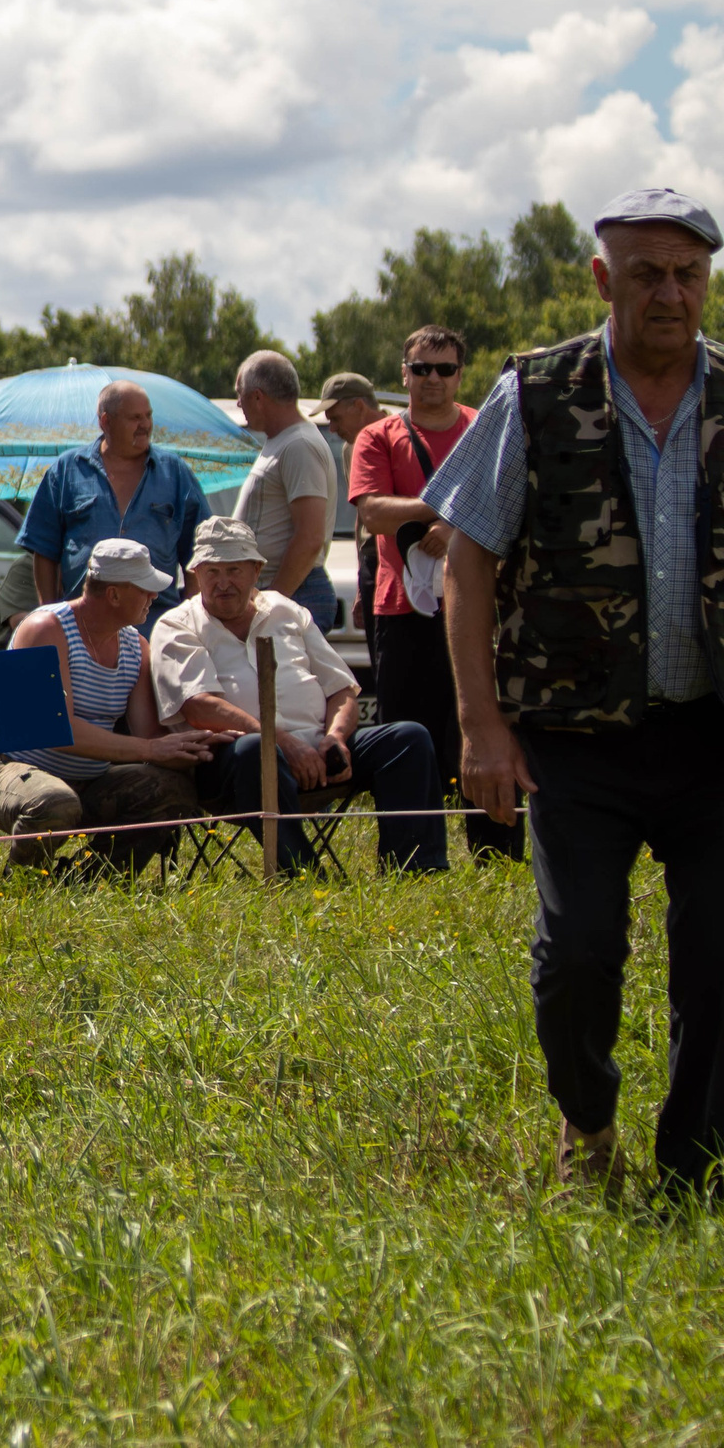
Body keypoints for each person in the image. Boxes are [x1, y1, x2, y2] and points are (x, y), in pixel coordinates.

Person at [429, 186, 724, 1199]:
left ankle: (696, 1165)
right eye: (647, 274)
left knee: (718, 957)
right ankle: (588, 1125)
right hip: (574, 735)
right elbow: (466, 561)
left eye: (688, 275)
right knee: (579, 954)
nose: (669, 294)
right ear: (603, 279)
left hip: (712, 735)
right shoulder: (536, 394)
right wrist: (480, 727)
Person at [151, 517, 444, 874]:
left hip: (316, 748)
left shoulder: (285, 610)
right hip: (231, 762)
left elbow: (342, 688)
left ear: (256, 570)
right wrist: (283, 743)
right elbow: (199, 707)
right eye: (212, 571)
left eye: (234, 570)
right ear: (196, 573)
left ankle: (416, 867)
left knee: (408, 738)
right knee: (255, 750)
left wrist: (335, 738)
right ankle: (302, 872)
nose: (223, 583)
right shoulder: (177, 625)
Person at [347, 326, 520, 863]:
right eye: (421, 369)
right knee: (408, 736)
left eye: (445, 369)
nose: (433, 379)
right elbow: (373, 510)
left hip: (478, 608)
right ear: (404, 374)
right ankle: (412, 859)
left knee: (484, 724)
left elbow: (511, 502)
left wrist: (453, 526)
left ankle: (497, 853)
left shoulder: (483, 426)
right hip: (401, 610)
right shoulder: (378, 436)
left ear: (460, 375)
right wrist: (449, 511)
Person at [0, 540, 217, 874]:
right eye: (144, 589)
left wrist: (202, 743)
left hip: (88, 781)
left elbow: (150, 736)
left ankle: (88, 879)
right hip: (12, 770)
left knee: (173, 789)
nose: (154, 596)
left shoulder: (137, 647)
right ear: (114, 595)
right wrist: (151, 748)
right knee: (55, 802)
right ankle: (21, 883)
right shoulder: (46, 628)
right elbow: (56, 729)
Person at [17, 379, 208, 621]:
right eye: (135, 418)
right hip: (84, 623)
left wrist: (192, 616)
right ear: (105, 421)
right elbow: (44, 550)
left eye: (148, 416)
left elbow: (198, 551)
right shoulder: (67, 470)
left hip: (156, 621)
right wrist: (51, 613)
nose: (145, 425)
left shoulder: (174, 472)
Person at [229, 351, 338, 632]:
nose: (239, 403)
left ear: (258, 397)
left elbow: (310, 537)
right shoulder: (284, 440)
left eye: (240, 394)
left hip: (296, 591)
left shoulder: (299, 444)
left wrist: (270, 603)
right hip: (287, 591)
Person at [317, 372, 386, 669]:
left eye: (335, 418)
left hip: (406, 558)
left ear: (358, 406)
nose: (332, 429)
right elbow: (362, 515)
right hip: (373, 561)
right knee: (380, 659)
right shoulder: (350, 449)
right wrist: (361, 581)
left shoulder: (401, 433)